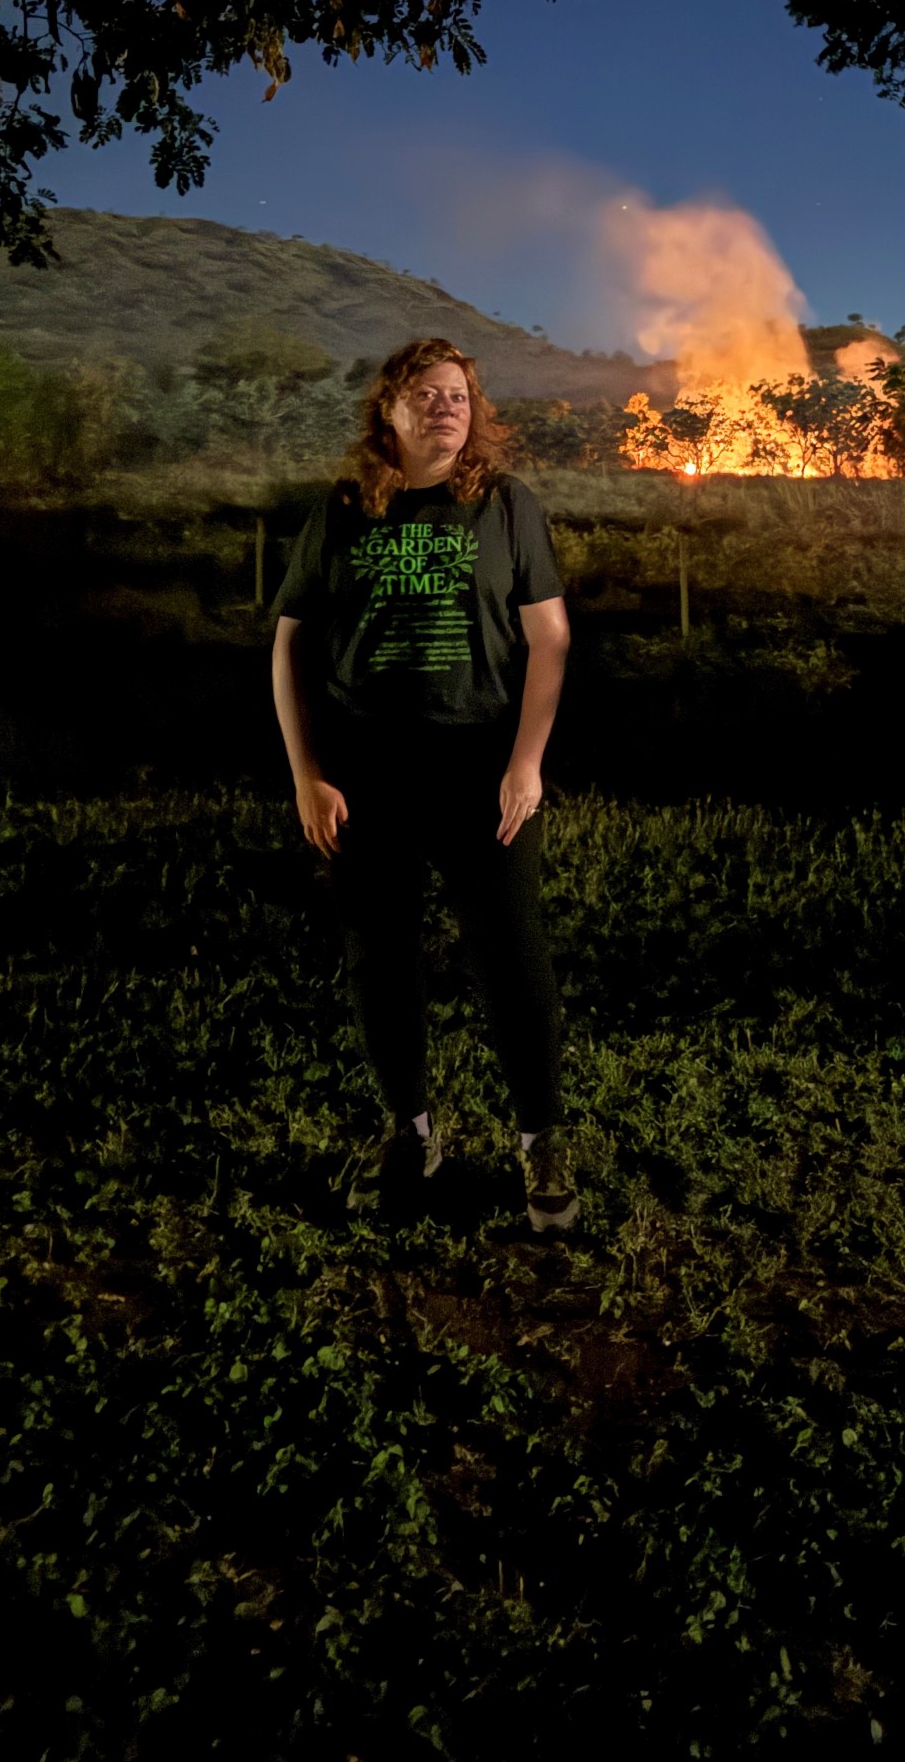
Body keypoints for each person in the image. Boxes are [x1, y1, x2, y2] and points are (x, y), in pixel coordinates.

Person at [269, 336, 576, 1230]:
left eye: (459, 395)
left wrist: (526, 762)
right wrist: (308, 772)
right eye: (427, 394)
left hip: (479, 763)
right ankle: (410, 1134)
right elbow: (290, 644)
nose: (447, 407)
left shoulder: (505, 505)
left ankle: (540, 1140)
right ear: (389, 410)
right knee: (381, 957)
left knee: (512, 957)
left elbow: (550, 639)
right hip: (367, 768)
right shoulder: (343, 510)